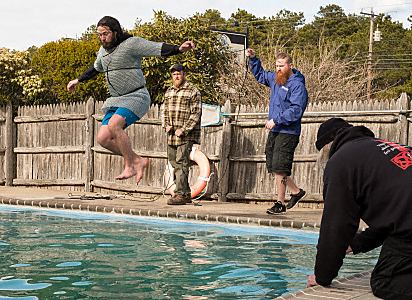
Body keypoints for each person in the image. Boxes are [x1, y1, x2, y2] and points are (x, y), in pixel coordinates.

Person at [67, 16, 195, 184]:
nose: (102, 38)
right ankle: (137, 160)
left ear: (115, 32)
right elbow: (95, 68)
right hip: (116, 99)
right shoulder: (102, 51)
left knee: (114, 125)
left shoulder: (130, 44)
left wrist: (178, 49)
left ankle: (129, 165)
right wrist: (79, 80)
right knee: (103, 138)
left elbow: (155, 48)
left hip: (136, 96)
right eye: (99, 35)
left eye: (105, 34)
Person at [307, 117, 412, 300]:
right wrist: (355, 244)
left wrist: (322, 277)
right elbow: (394, 217)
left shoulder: (341, 161)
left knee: (385, 279)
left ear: (327, 147)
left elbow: (336, 226)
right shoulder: (382, 148)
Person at [246, 48, 308, 214]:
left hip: (288, 131)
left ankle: (280, 203)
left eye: (281, 65)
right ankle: (296, 191)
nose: (278, 69)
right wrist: (253, 59)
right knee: (273, 164)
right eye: (276, 66)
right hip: (276, 130)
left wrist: (276, 120)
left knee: (280, 166)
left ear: (290, 65)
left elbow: (296, 110)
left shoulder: (297, 85)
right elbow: (260, 75)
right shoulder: (275, 78)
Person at [162, 63, 202, 205]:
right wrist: (166, 125)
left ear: (184, 74)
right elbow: (164, 111)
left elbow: (196, 114)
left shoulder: (193, 91)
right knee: (174, 163)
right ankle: (185, 194)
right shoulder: (169, 91)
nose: (176, 76)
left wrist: (184, 129)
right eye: (174, 74)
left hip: (186, 135)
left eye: (179, 73)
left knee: (181, 162)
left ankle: (180, 195)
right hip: (171, 135)